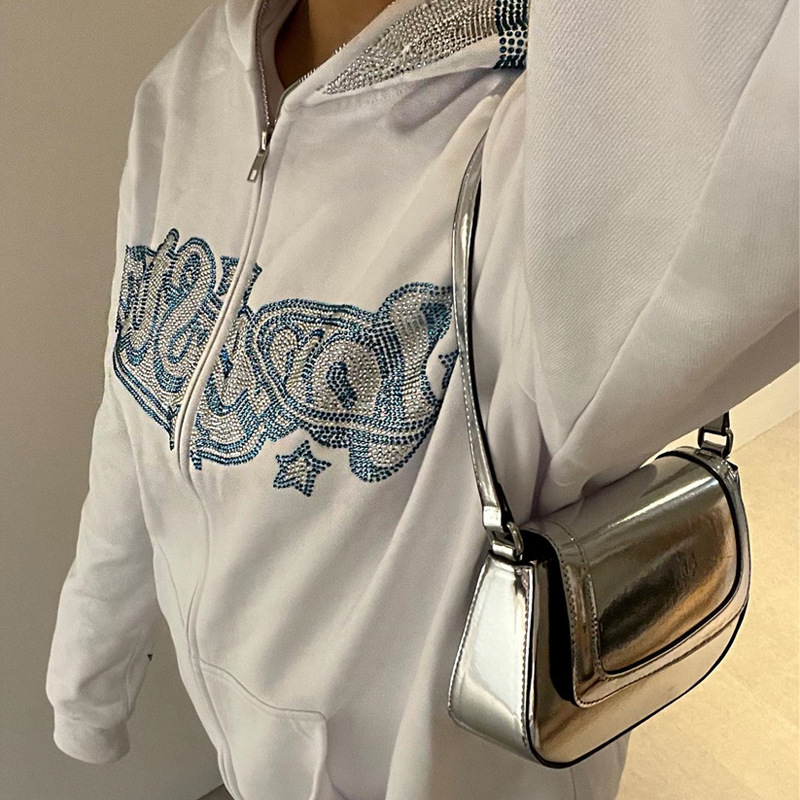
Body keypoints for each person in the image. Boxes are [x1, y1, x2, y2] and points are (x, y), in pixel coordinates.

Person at [45, 0, 799, 797]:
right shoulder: (186, 85)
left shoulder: (575, 133)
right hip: (243, 749)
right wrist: (87, 678)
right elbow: (136, 400)